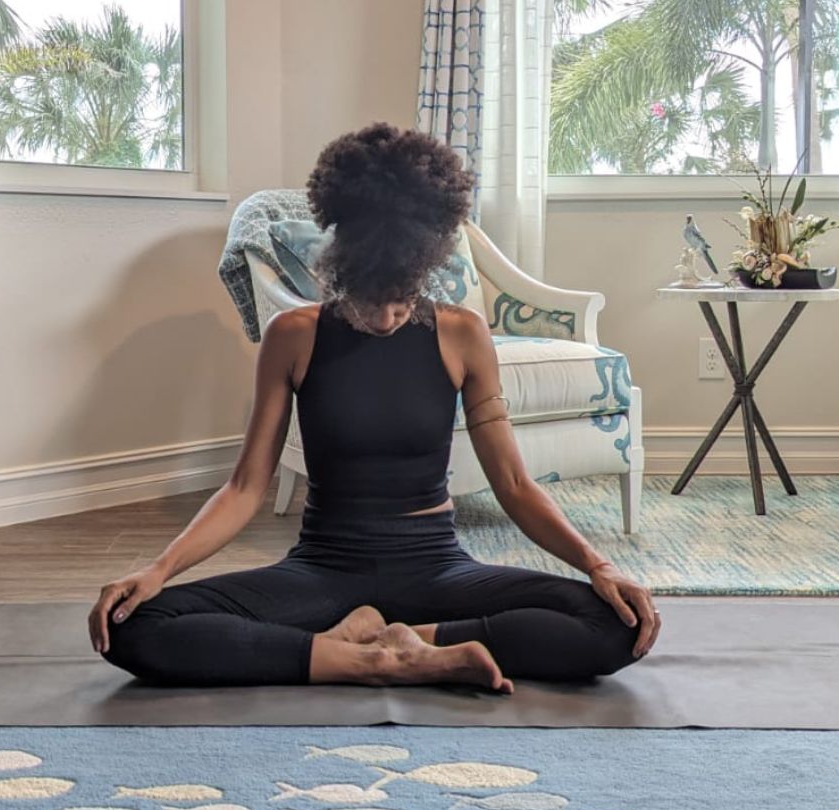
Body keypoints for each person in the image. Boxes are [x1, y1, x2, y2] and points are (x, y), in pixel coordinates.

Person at [88, 122, 661, 692]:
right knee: (137, 625)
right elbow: (244, 488)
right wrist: (158, 570)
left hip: (436, 566)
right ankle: (372, 660)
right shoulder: (294, 335)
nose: (386, 318)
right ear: (341, 268)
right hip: (324, 567)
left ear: (426, 269)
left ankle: (411, 640)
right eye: (370, 301)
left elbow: (512, 482)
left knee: (615, 624)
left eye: (403, 300)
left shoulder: (462, 334)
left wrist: (597, 565)